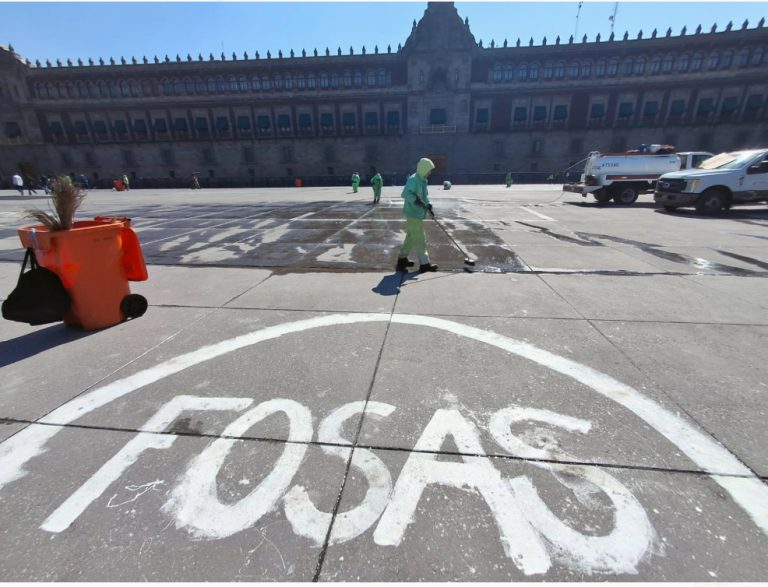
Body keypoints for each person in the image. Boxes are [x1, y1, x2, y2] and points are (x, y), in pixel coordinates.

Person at [395, 157, 438, 273]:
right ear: (423, 169)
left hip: (418, 213)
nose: (430, 173)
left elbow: (425, 197)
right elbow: (405, 194)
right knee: (420, 238)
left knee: (411, 237)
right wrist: (416, 200)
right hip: (412, 213)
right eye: (429, 170)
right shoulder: (413, 180)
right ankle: (425, 264)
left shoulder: (423, 180)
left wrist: (428, 206)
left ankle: (402, 259)